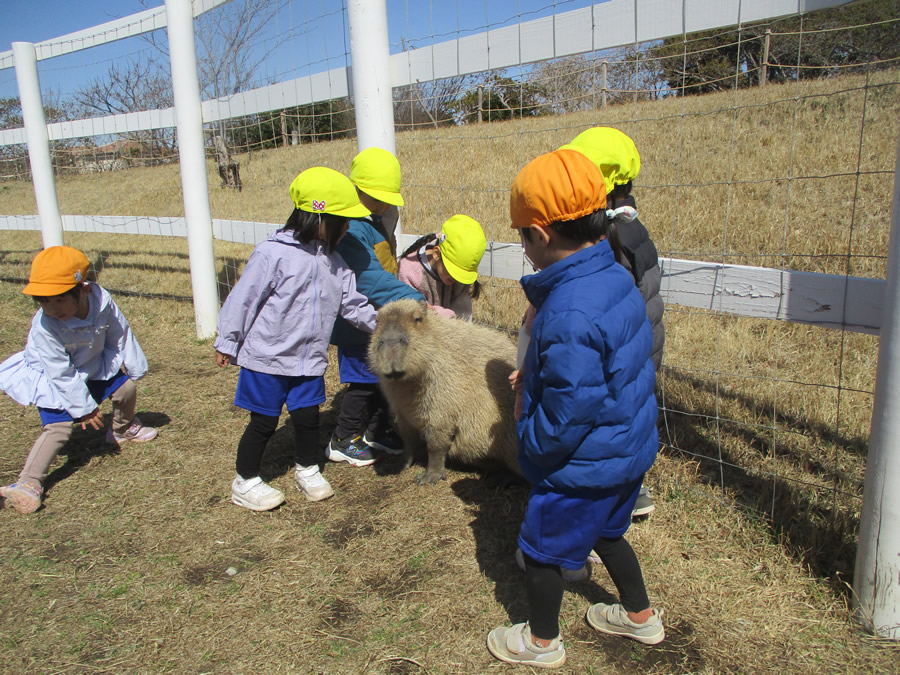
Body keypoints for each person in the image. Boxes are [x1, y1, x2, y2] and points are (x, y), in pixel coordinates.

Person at [487, 149, 663, 668]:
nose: (524, 247)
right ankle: (640, 617)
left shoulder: (565, 308)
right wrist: (537, 371)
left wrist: (534, 446)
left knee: (542, 551)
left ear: (540, 235)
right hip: (625, 451)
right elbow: (605, 366)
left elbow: (570, 407)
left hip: (580, 465)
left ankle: (541, 643)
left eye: (522, 236)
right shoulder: (614, 276)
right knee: (610, 533)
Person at [215, 166, 377, 511]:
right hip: (267, 359)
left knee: (307, 418)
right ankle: (245, 481)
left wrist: (384, 325)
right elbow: (243, 299)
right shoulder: (272, 254)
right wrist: (228, 341)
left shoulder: (336, 263)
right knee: (263, 421)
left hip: (308, 360)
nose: (347, 227)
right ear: (317, 217)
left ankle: (308, 468)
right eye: (342, 220)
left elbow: (353, 304)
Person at [0, 246, 156, 514]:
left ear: (83, 289)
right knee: (58, 428)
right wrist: (84, 408)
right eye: (44, 301)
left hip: (91, 364)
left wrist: (134, 364)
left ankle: (121, 428)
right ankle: (28, 482)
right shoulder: (45, 327)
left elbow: (119, 330)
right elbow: (59, 372)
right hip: (54, 377)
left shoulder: (101, 299)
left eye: (60, 299)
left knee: (126, 389)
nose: (51, 308)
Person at [561, 126, 665, 517]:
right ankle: (634, 488)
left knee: (606, 422)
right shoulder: (632, 225)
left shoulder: (606, 238)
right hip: (645, 344)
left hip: (622, 350)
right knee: (631, 417)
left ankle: (603, 501)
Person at [328, 147, 424, 464]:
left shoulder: (372, 220)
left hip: (376, 317)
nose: (385, 203)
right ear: (359, 191)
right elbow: (368, 279)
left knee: (382, 378)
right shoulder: (353, 230)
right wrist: (413, 299)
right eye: (378, 196)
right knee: (362, 383)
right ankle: (344, 437)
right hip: (357, 323)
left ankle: (376, 430)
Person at [397, 214, 487, 320]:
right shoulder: (409, 271)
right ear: (436, 254)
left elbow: (463, 318)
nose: (456, 279)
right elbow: (413, 314)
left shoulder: (459, 279)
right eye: (453, 271)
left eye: (461, 274)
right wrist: (445, 316)